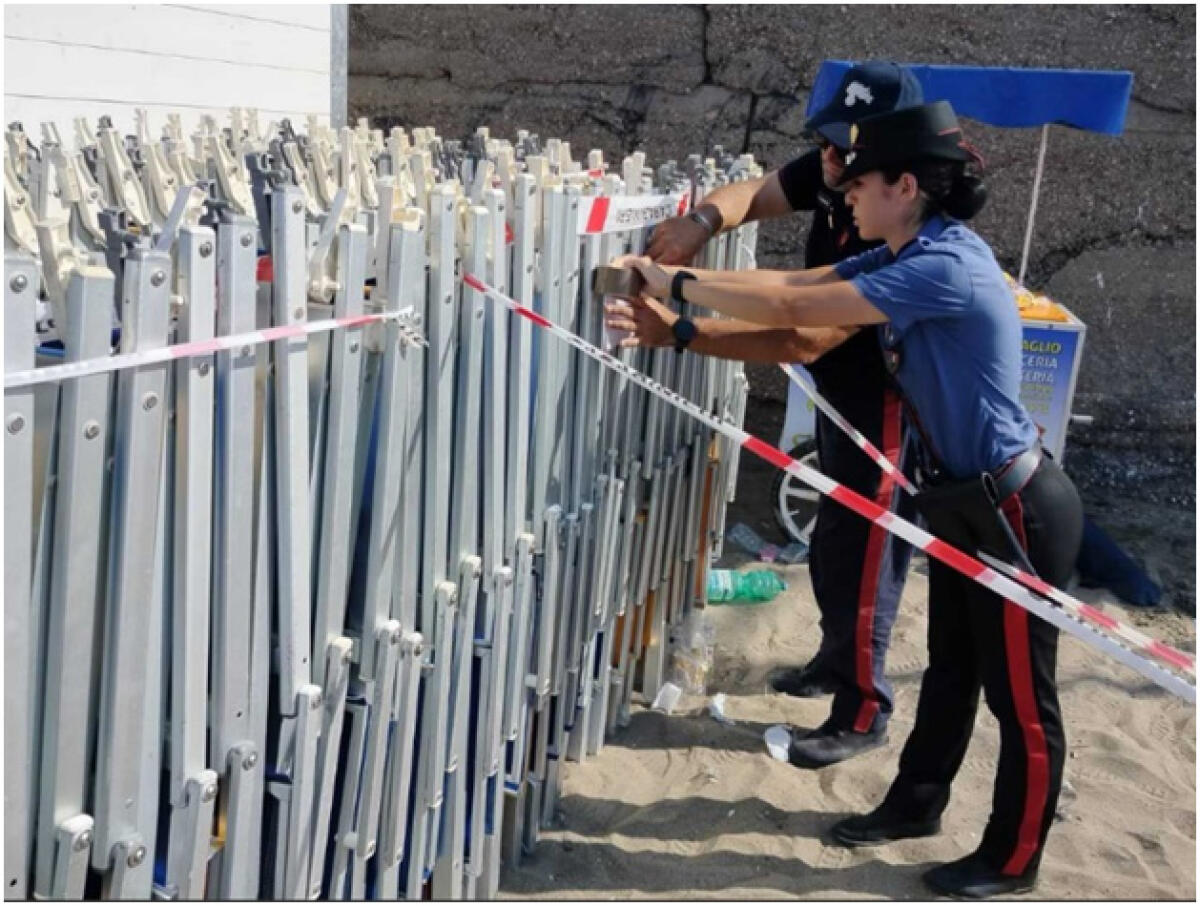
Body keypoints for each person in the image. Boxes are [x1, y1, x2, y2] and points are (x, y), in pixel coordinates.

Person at [608, 100, 1084, 898]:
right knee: (951, 669)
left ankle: (1013, 860)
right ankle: (914, 807)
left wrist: (675, 283)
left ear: (906, 186)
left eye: (861, 181)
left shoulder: (944, 265)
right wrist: (684, 312)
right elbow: (797, 284)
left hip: (1014, 510)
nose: (847, 192)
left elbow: (798, 313)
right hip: (960, 500)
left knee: (1021, 700)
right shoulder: (905, 250)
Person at [643, 61, 924, 770]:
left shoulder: (892, 231)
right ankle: (834, 660)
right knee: (832, 543)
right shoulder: (834, 174)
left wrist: (682, 329)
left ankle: (863, 712)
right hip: (838, 399)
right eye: (823, 140)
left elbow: (803, 334)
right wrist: (701, 221)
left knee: (867, 559)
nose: (826, 157)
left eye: (843, 147)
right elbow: (757, 192)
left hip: (884, 412)